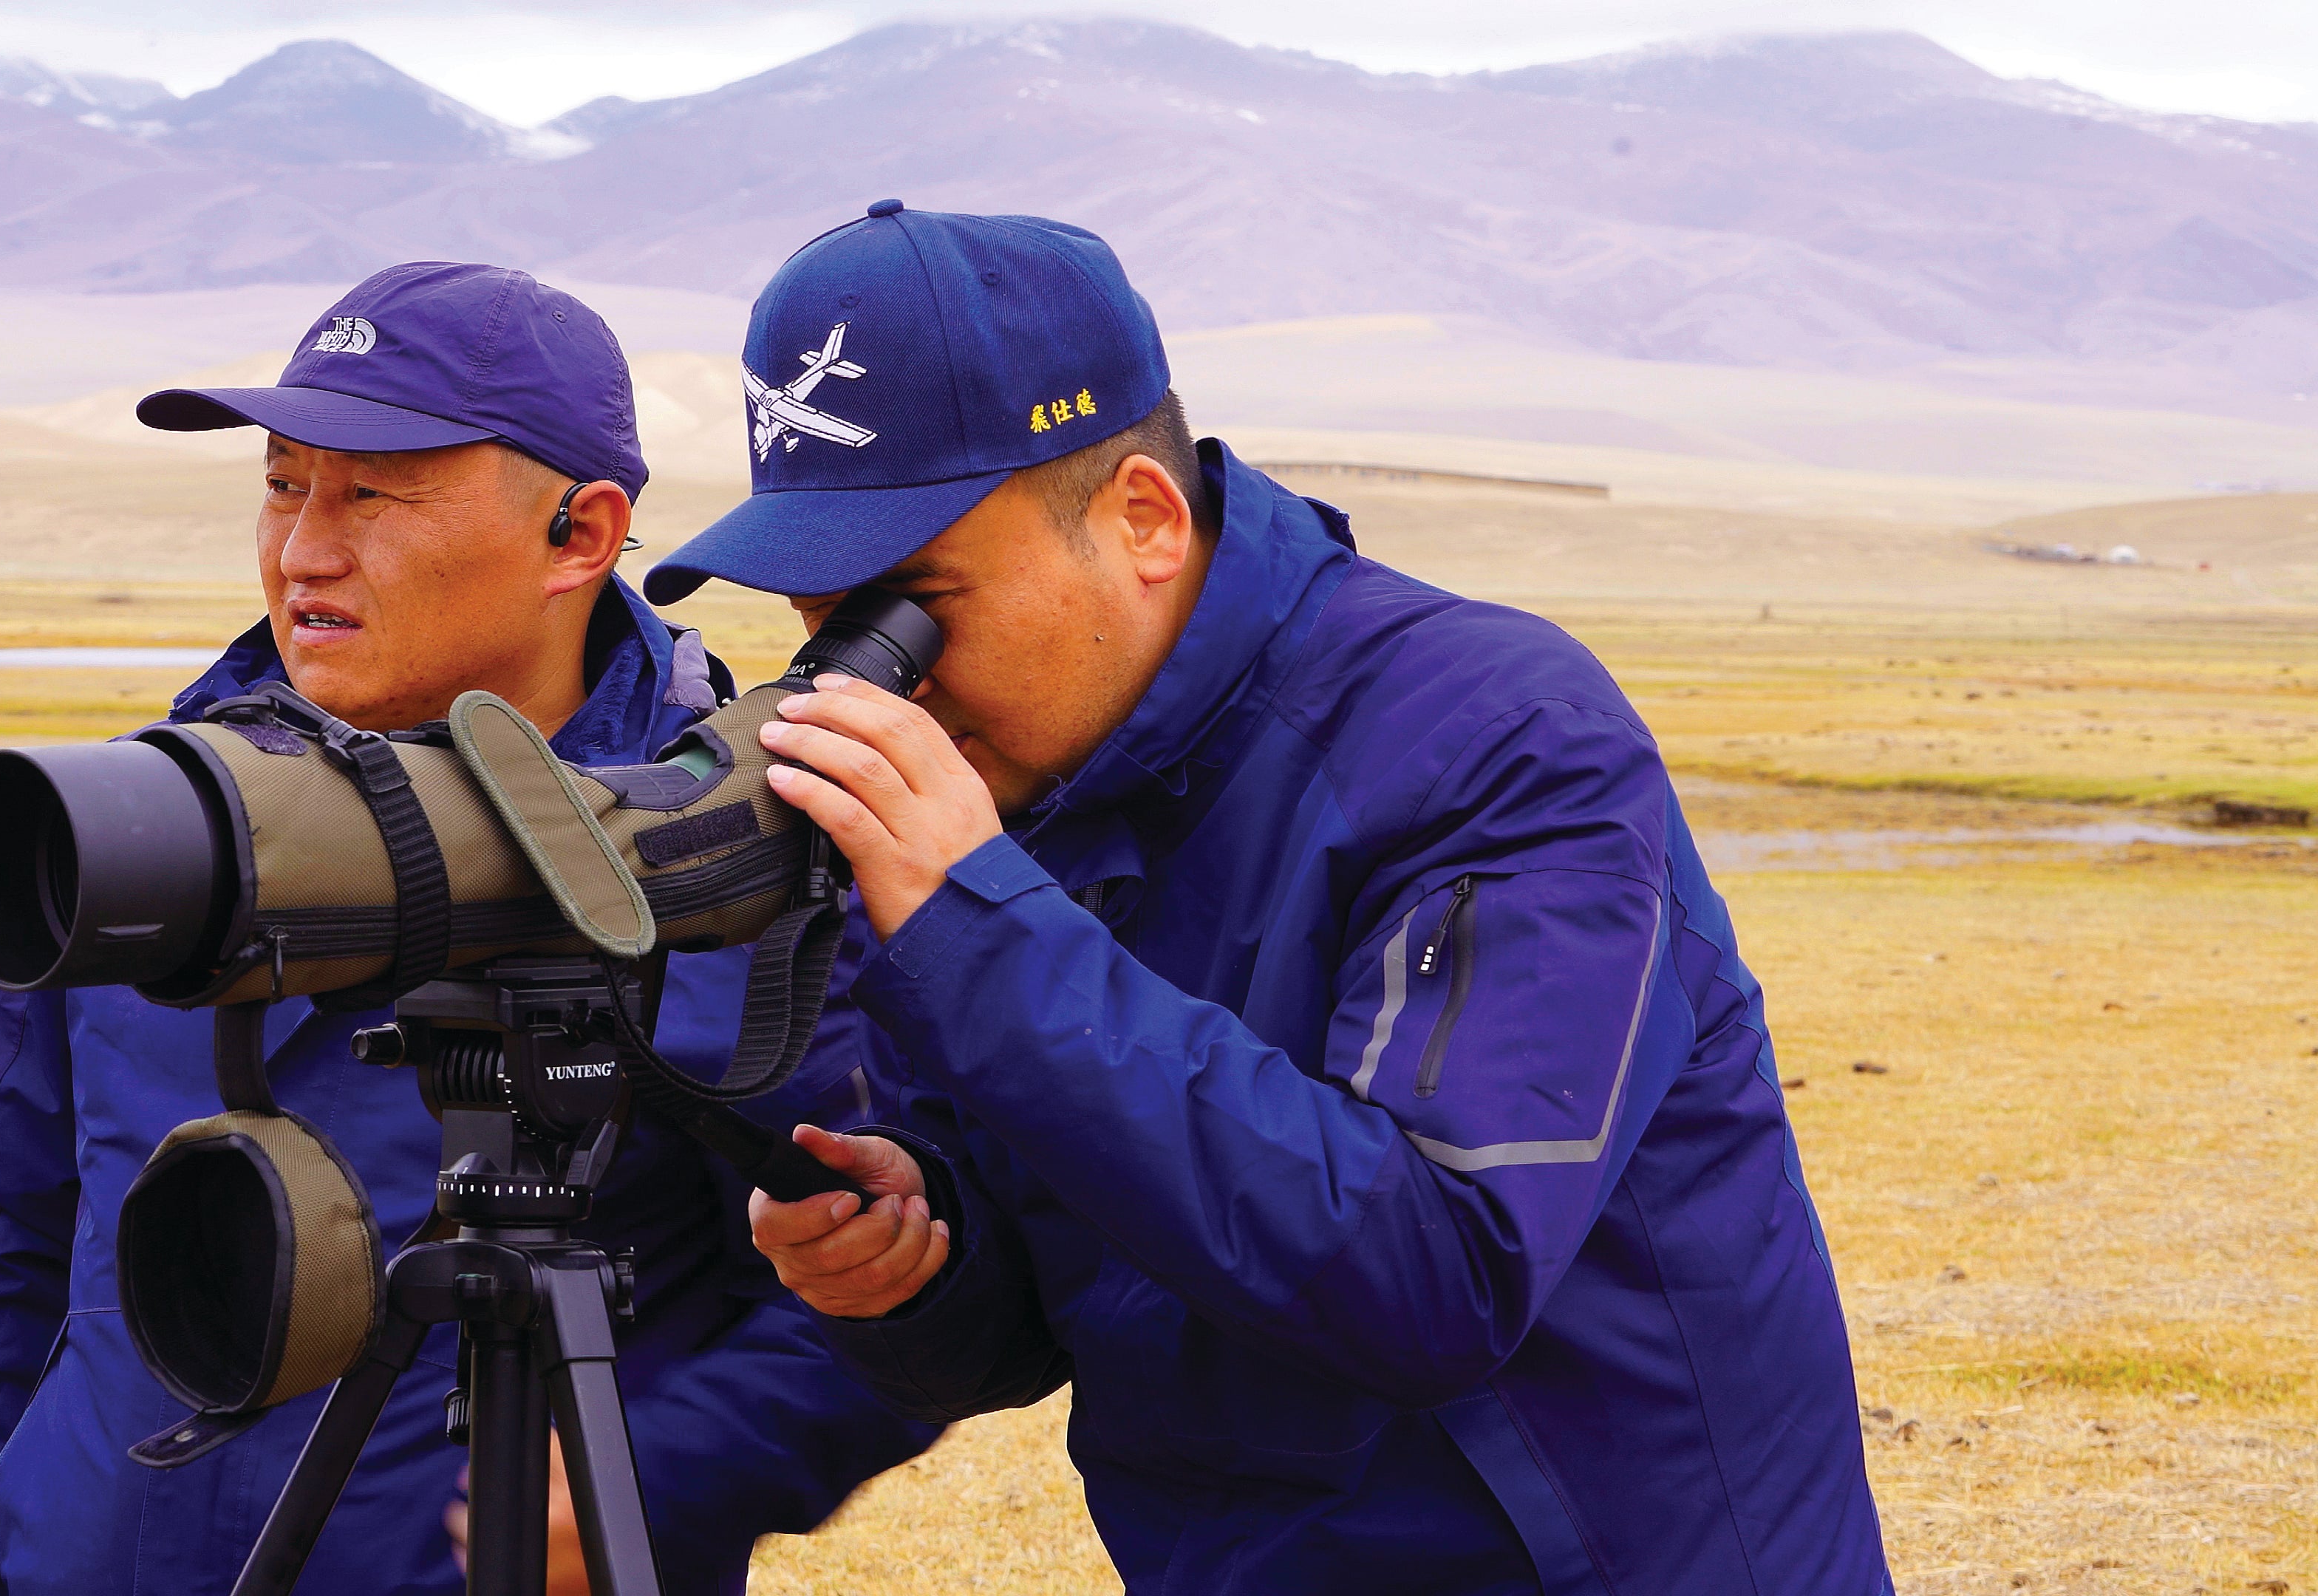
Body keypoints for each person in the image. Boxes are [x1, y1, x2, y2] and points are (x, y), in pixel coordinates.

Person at [652, 201, 1892, 1594]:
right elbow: (1065, 1304)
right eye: (821, 623)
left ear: (1144, 521)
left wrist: (981, 927)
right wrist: (915, 1272)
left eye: (916, 604)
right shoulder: (1020, 793)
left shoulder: (1493, 733)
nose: (870, 680)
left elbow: (1439, 1271)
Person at [0, 262, 936, 1596]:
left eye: (373, 492)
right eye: (283, 482)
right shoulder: (145, 834)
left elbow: (895, 1303)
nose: (305, 547)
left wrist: (665, 1479)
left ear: (581, 536)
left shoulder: (738, 869)